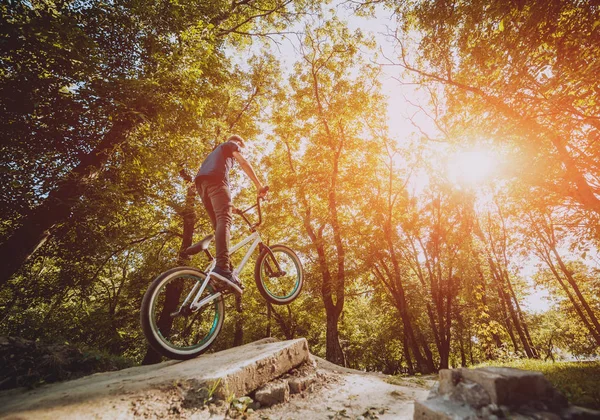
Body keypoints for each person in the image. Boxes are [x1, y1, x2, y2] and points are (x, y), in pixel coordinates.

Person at [194, 135, 268, 294]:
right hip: (216, 182)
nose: (240, 150)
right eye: (241, 147)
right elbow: (243, 162)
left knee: (219, 224)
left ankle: (223, 274)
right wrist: (259, 185)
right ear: (238, 143)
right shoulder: (230, 145)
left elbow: (214, 191)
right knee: (225, 221)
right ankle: (222, 267)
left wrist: (231, 206)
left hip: (202, 187)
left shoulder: (213, 155)